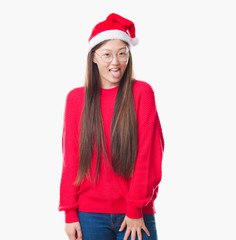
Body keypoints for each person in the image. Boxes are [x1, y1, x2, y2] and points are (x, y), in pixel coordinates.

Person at [58, 13, 165, 240]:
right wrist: (69, 213)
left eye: (122, 54)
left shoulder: (142, 93)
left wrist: (135, 208)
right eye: (107, 54)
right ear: (93, 58)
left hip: (135, 214)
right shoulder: (76, 99)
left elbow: (148, 155)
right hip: (88, 215)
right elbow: (71, 160)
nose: (115, 62)